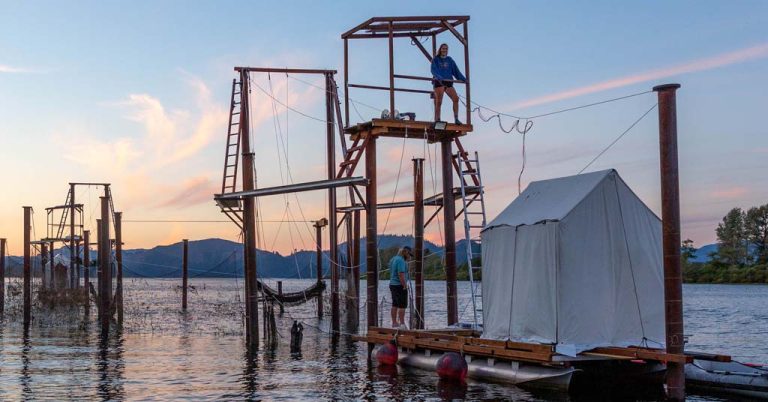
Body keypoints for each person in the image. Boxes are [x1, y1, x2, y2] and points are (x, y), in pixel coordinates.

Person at [431, 43, 466, 124]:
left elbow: (456, 71)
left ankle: (456, 119)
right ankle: (437, 119)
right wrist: (439, 77)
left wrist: (463, 79)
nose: (444, 50)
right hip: (439, 82)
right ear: (440, 49)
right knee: (439, 101)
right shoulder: (436, 59)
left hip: (448, 82)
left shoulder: (450, 60)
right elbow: (433, 70)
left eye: (446, 49)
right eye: (443, 48)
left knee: (456, 99)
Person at [389, 246, 413, 329]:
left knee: (394, 304)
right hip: (399, 285)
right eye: (409, 254)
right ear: (405, 252)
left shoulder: (393, 259)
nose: (409, 256)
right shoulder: (401, 261)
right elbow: (401, 274)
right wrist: (404, 285)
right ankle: (402, 324)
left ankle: (394, 323)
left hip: (392, 285)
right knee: (402, 305)